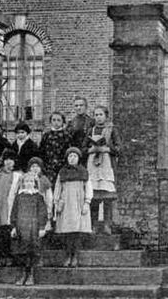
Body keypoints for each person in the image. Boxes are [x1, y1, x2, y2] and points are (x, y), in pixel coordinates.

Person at [83, 105, 120, 235]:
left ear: (106, 116)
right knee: (94, 198)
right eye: (96, 115)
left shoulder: (112, 130)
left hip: (106, 165)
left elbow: (119, 148)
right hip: (93, 166)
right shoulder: (90, 130)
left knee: (107, 198)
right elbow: (82, 149)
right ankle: (93, 225)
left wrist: (107, 149)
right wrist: (91, 150)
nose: (98, 117)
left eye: (101, 115)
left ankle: (107, 225)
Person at [54, 147, 92, 267]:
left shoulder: (83, 172)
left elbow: (88, 189)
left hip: (79, 204)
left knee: (77, 231)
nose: (72, 158)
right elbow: (57, 189)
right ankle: (67, 255)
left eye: (74, 156)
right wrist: (57, 202)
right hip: (66, 204)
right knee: (66, 232)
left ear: (78, 158)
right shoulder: (62, 172)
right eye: (70, 156)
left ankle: (75, 256)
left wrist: (87, 202)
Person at [11, 173, 48, 286]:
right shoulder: (19, 196)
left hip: (33, 228)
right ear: (23, 183)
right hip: (21, 227)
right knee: (21, 252)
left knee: (31, 252)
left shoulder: (38, 197)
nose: (29, 184)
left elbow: (43, 213)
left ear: (35, 183)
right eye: (26, 181)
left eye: (31, 182)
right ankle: (23, 274)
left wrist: (42, 227)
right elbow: (14, 212)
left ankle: (30, 275)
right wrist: (13, 227)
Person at [0, 148, 22, 266]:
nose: (8, 162)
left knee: (9, 232)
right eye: (7, 159)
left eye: (11, 160)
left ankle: (9, 257)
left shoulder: (18, 176)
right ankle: (0, 257)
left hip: (12, 207)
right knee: (0, 232)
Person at [39, 112, 72, 183]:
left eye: (58, 120)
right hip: (48, 168)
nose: (56, 122)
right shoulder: (46, 135)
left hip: (62, 167)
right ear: (50, 121)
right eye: (54, 120)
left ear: (63, 122)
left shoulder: (66, 136)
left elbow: (69, 152)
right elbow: (41, 151)